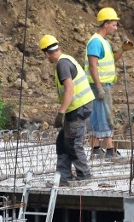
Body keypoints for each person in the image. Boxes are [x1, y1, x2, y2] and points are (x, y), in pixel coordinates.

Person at [39, 34, 94, 185]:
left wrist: (60, 113)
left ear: (46, 53)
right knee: (63, 142)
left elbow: (69, 89)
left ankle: (84, 176)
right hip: (78, 106)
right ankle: (63, 177)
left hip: (78, 108)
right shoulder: (67, 59)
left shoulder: (62, 64)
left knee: (73, 143)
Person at [85, 7, 133, 161]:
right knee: (105, 116)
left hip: (103, 85)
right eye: (114, 24)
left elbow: (111, 59)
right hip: (99, 85)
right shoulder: (95, 42)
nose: (116, 27)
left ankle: (96, 150)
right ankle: (110, 151)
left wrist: (122, 50)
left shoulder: (103, 42)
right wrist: (99, 87)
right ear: (105, 24)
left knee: (98, 116)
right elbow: (93, 66)